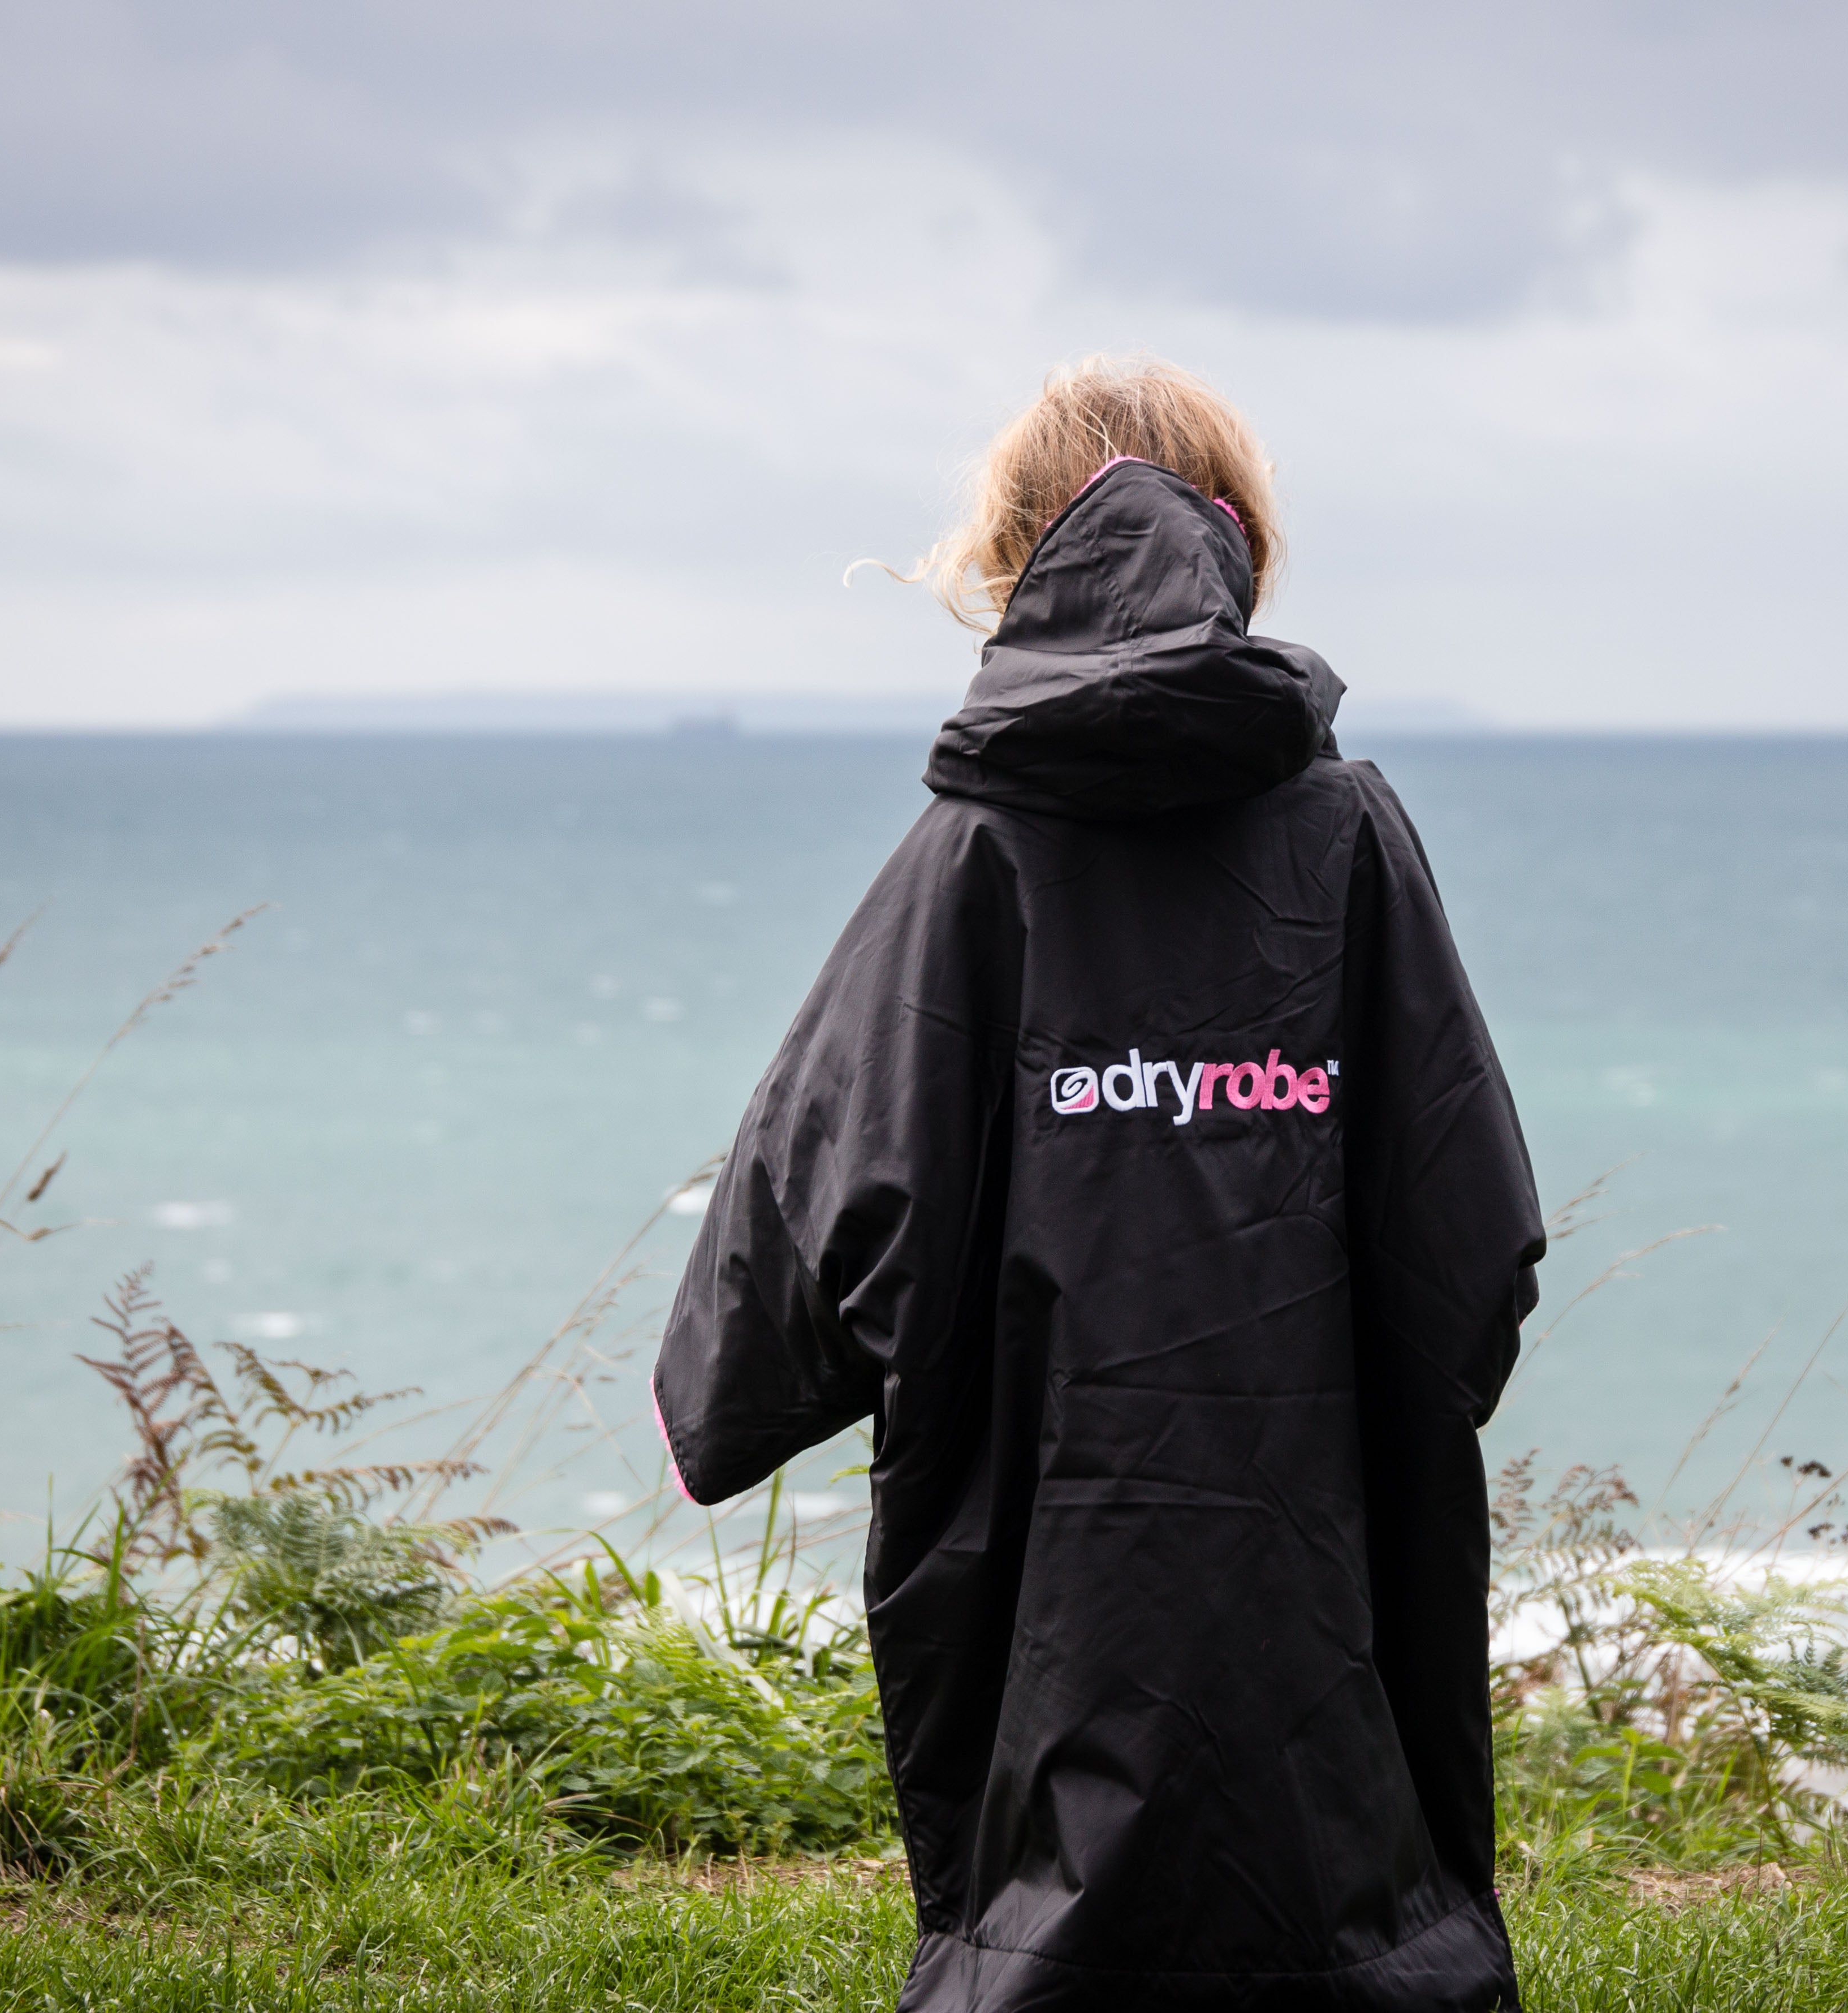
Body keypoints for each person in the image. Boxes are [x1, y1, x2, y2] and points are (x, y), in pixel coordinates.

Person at [652, 356, 1545, 2013]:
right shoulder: (1346, 829)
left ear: (1016, 560)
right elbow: (1468, 1209)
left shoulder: (971, 848)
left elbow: (827, 1176)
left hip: (1039, 1498)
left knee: (1047, 1889)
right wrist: (1409, 1394)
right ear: (1237, 545)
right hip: (1318, 1496)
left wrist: (727, 1392)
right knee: (1348, 1866)